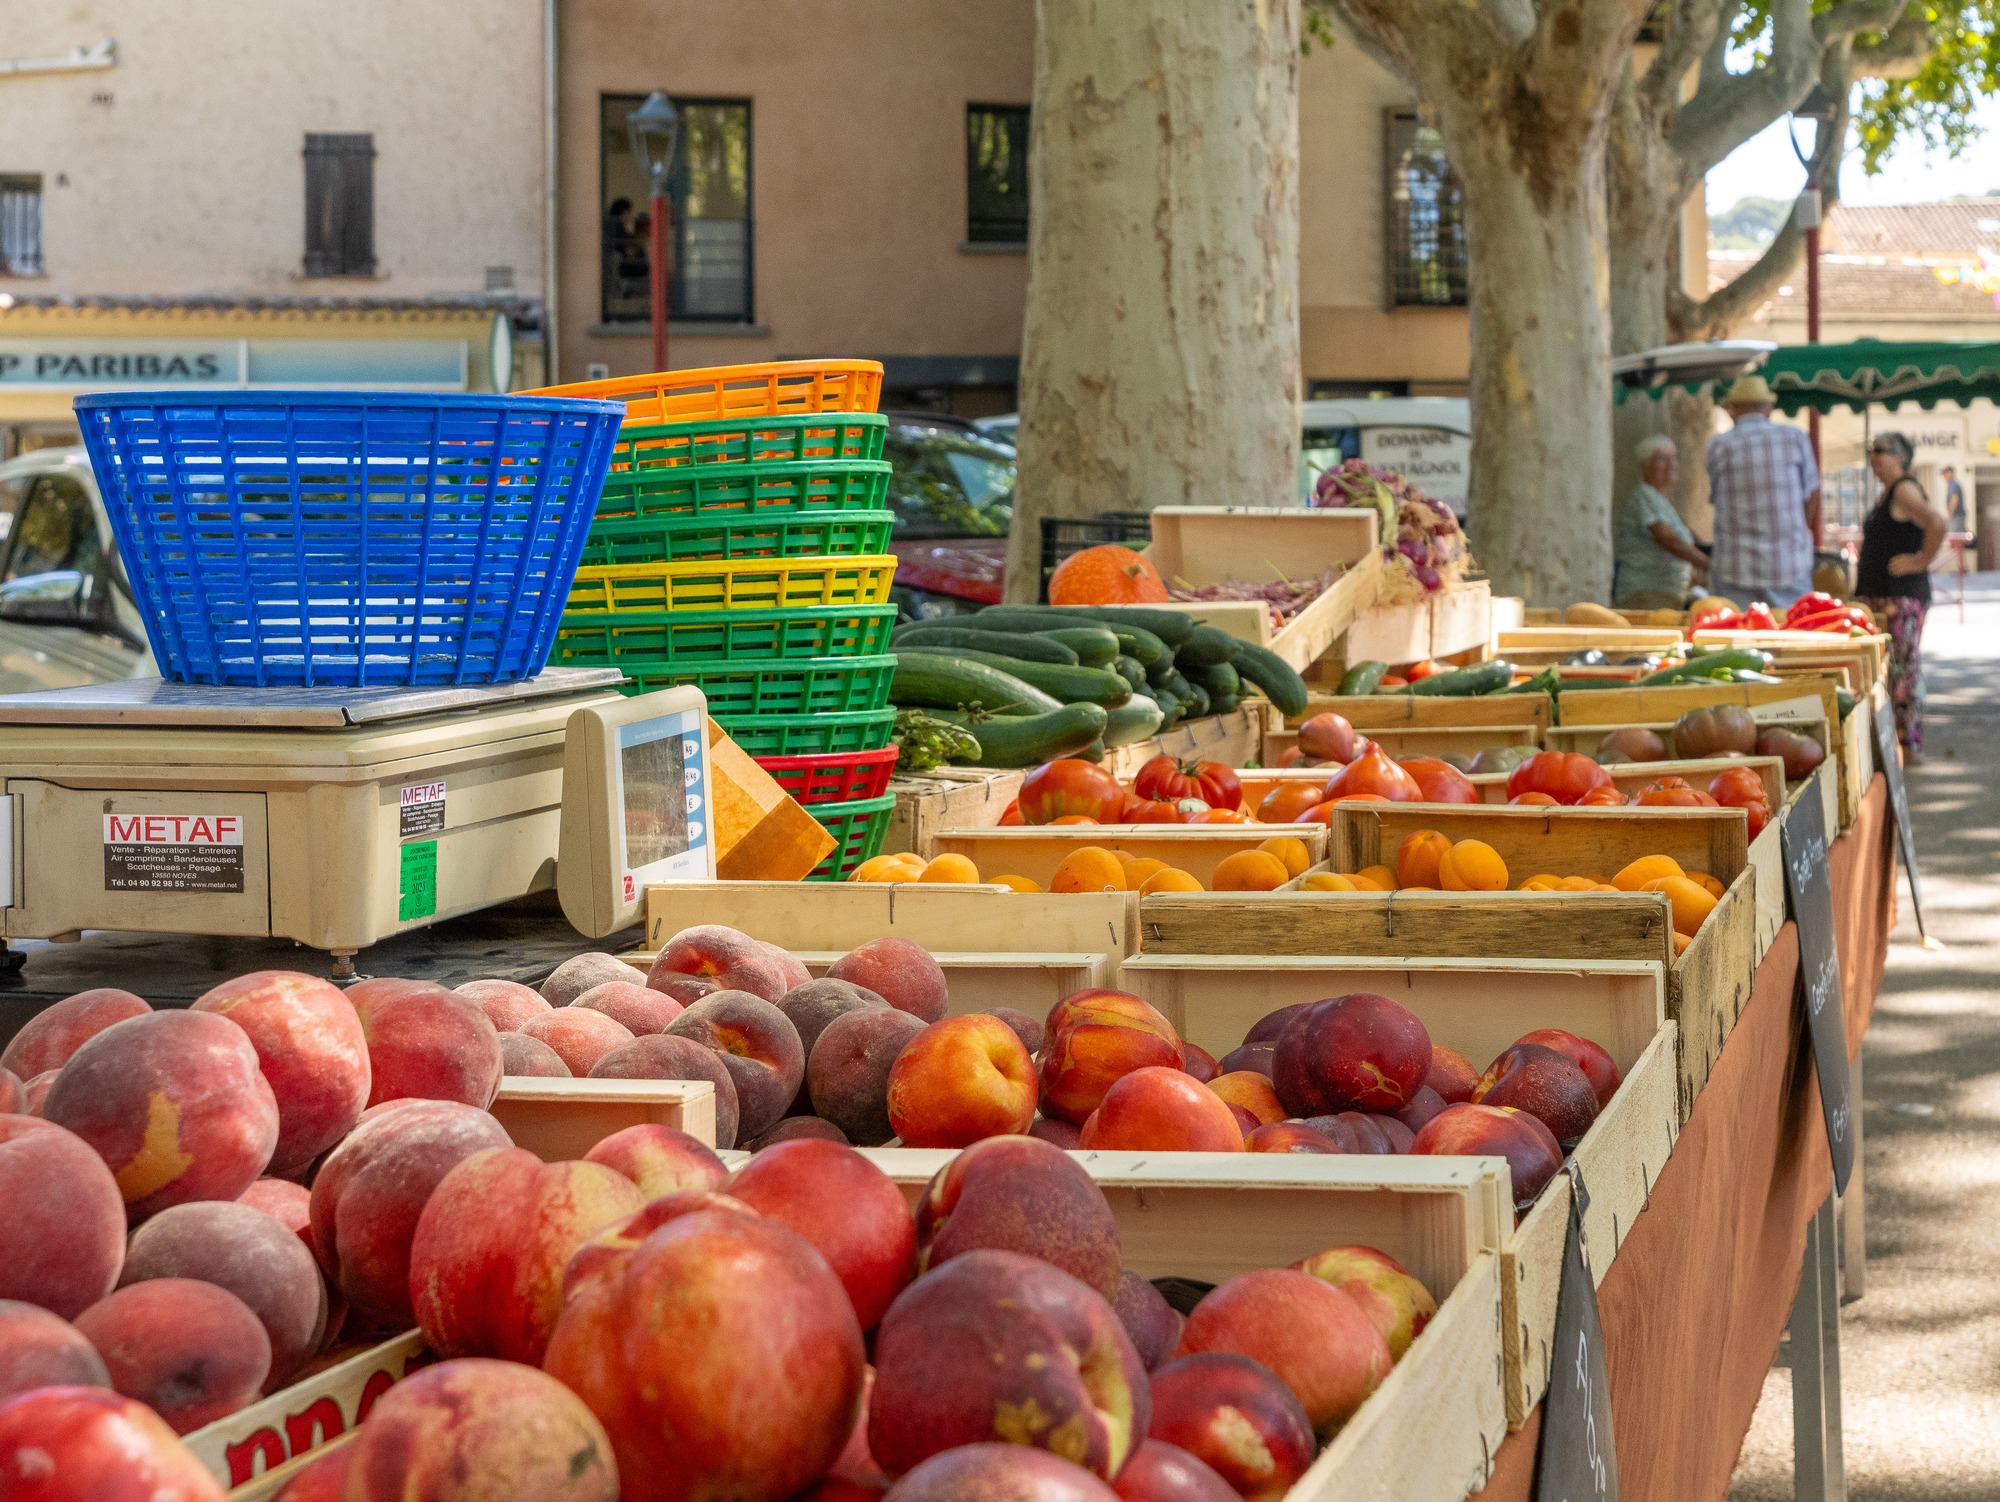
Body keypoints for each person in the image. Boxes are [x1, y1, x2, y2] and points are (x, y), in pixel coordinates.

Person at [1855, 431, 1949, 759]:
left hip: (1900, 599)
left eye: (1881, 450)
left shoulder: (1904, 489)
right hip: (1888, 598)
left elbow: (1936, 522)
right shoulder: (1890, 493)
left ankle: (1906, 744)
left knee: (1901, 673)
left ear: (1901, 457)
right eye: (1871, 450)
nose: (1873, 456)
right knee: (1894, 671)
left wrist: (1921, 560)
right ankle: (1898, 743)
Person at [1704, 374, 1820, 611]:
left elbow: (1717, 499)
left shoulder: (1718, 446)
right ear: (1768, 407)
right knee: (1794, 637)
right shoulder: (1795, 437)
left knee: (1733, 639)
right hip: (1788, 564)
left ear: (1732, 410)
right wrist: (1796, 534)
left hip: (1735, 566)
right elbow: (1812, 495)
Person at [1613, 435, 1707, 608]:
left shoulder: (1662, 502)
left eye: (1673, 458)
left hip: (1666, 594)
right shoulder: (1644, 496)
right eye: (1662, 458)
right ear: (1644, 466)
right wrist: (1707, 564)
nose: (1671, 464)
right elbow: (1668, 539)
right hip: (1646, 594)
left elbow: (1687, 538)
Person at [1941, 465, 1967, 531]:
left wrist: (1950, 515)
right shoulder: (1953, 484)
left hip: (1957, 516)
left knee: (1955, 536)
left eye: (1945, 473)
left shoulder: (1953, 485)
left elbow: (1954, 500)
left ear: (1950, 473)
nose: (1944, 476)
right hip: (1958, 516)